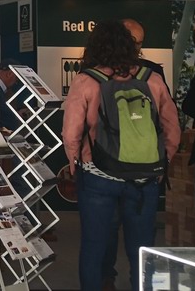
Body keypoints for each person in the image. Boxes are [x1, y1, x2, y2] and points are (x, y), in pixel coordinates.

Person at [62, 20, 180, 291]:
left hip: (98, 177)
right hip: (144, 179)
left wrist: (75, 162)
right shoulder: (152, 79)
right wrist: (161, 162)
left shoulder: (86, 80)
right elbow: (172, 129)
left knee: (94, 246)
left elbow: (71, 133)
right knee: (142, 248)